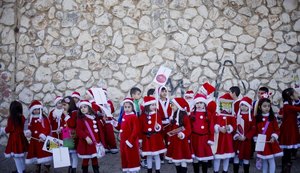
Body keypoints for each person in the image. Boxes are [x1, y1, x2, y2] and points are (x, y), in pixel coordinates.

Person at [255, 98, 283, 173]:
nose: (267, 108)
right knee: (264, 160)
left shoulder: (272, 118)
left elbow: (277, 130)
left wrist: (274, 137)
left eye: (268, 106)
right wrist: (256, 138)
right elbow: (256, 130)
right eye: (264, 106)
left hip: (270, 142)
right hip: (262, 143)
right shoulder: (257, 118)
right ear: (260, 107)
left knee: (271, 160)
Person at [139, 96, 166, 173]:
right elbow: (140, 128)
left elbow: (160, 126)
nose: (154, 106)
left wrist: (158, 127)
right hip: (146, 138)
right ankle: (149, 170)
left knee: (157, 155)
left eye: (155, 104)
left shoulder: (157, 115)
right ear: (147, 106)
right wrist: (140, 139)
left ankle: (158, 170)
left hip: (155, 137)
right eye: (152, 105)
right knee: (149, 155)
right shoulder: (142, 116)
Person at [0, 101, 28, 173]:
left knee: (16, 157)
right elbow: (25, 127)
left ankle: (20, 171)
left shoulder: (11, 118)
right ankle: (22, 170)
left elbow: (8, 129)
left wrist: (2, 130)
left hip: (14, 140)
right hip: (22, 139)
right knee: (21, 156)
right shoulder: (22, 117)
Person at [165, 97, 192, 173]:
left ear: (178, 106)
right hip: (175, 141)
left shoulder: (185, 117)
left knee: (183, 159)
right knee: (176, 160)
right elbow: (172, 129)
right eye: (171, 105)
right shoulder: (173, 116)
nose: (171, 107)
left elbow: (189, 129)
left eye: (173, 105)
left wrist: (183, 134)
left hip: (182, 142)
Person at [76, 100, 104, 173]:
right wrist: (86, 137)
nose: (83, 109)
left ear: (89, 108)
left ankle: (96, 170)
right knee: (86, 158)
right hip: (86, 143)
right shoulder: (80, 119)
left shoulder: (94, 117)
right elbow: (79, 130)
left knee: (95, 158)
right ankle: (85, 171)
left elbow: (99, 128)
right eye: (81, 107)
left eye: (85, 107)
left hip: (95, 142)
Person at [25, 100, 52, 173]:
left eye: (38, 109)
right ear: (32, 110)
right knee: (36, 153)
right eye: (35, 109)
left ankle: (47, 167)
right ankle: (37, 166)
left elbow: (47, 128)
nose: (36, 111)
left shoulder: (44, 118)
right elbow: (29, 128)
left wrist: (43, 136)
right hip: (34, 140)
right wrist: (28, 132)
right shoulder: (30, 119)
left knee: (45, 154)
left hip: (43, 140)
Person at [190, 94, 214, 173]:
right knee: (195, 159)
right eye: (197, 103)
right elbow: (189, 128)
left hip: (205, 139)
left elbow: (211, 128)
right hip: (195, 139)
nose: (199, 105)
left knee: (205, 159)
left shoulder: (209, 114)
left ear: (204, 104)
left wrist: (211, 139)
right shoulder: (192, 114)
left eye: (201, 103)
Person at [214, 93, 236, 173]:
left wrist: (229, 127)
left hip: (227, 138)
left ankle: (225, 170)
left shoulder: (231, 115)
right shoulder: (216, 114)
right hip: (219, 137)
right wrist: (218, 128)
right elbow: (213, 123)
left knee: (227, 155)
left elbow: (234, 125)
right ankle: (216, 171)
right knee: (218, 156)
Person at [233, 97, 256, 173]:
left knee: (246, 157)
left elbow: (253, 129)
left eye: (245, 105)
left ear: (249, 107)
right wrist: (236, 135)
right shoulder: (236, 116)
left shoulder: (252, 117)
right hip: (237, 140)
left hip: (246, 141)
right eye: (242, 105)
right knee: (236, 156)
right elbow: (234, 126)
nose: (243, 107)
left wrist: (246, 137)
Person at [279, 88, 300, 173]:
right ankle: (285, 170)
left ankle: (286, 169)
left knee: (287, 153)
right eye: (295, 92)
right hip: (288, 132)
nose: (297, 93)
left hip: (291, 130)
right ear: (291, 96)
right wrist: (298, 100)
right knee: (287, 153)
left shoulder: (290, 104)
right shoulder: (287, 106)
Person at [117, 98, 141, 173]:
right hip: (123, 142)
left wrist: (129, 141)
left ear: (132, 107)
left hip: (130, 143)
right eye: (125, 107)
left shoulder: (133, 117)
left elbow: (135, 130)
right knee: (125, 157)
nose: (126, 109)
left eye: (128, 107)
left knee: (131, 157)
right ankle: (127, 169)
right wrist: (114, 123)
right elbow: (121, 127)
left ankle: (133, 170)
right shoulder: (124, 115)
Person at [61, 96, 78, 173]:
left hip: (73, 135)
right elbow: (64, 124)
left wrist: (66, 116)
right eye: (63, 105)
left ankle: (74, 169)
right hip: (66, 135)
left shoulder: (75, 113)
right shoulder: (66, 113)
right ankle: (70, 167)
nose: (63, 107)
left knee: (73, 153)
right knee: (68, 153)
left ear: (70, 104)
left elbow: (72, 124)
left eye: (65, 105)